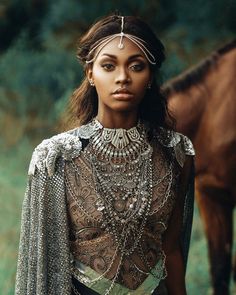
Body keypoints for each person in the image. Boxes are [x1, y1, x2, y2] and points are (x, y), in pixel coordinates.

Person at [15, 14, 195, 295]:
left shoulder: (177, 152)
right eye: (108, 66)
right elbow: (45, 264)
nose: (122, 77)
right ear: (90, 74)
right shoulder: (56, 157)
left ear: (149, 77)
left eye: (136, 66)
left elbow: (171, 250)